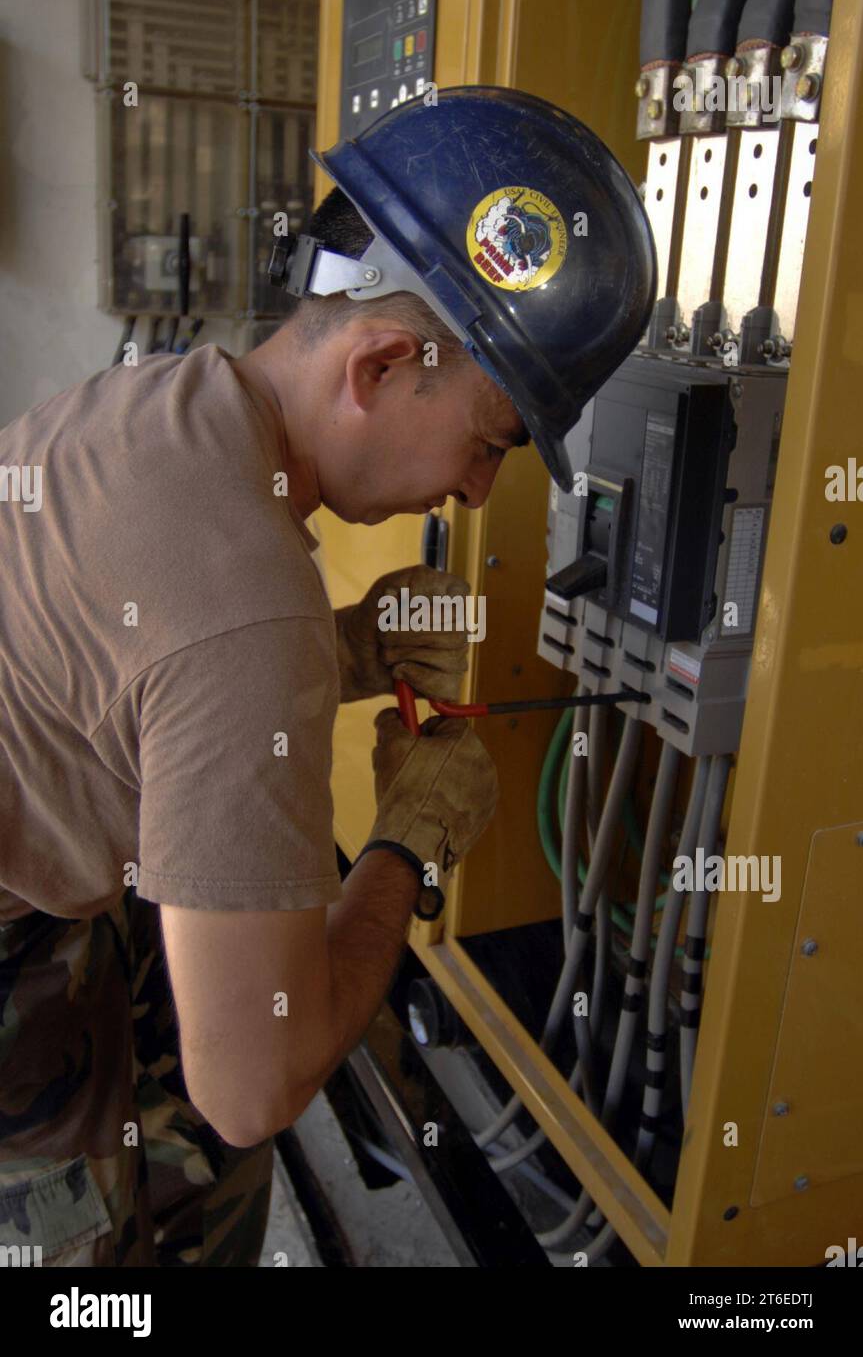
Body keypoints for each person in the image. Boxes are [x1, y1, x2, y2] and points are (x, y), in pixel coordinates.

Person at [0, 86, 655, 1267]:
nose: (471, 493)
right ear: (382, 363)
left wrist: (346, 650)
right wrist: (409, 845)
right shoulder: (250, 611)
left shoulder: (160, 402)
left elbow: (134, 660)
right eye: (492, 440)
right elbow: (253, 1084)